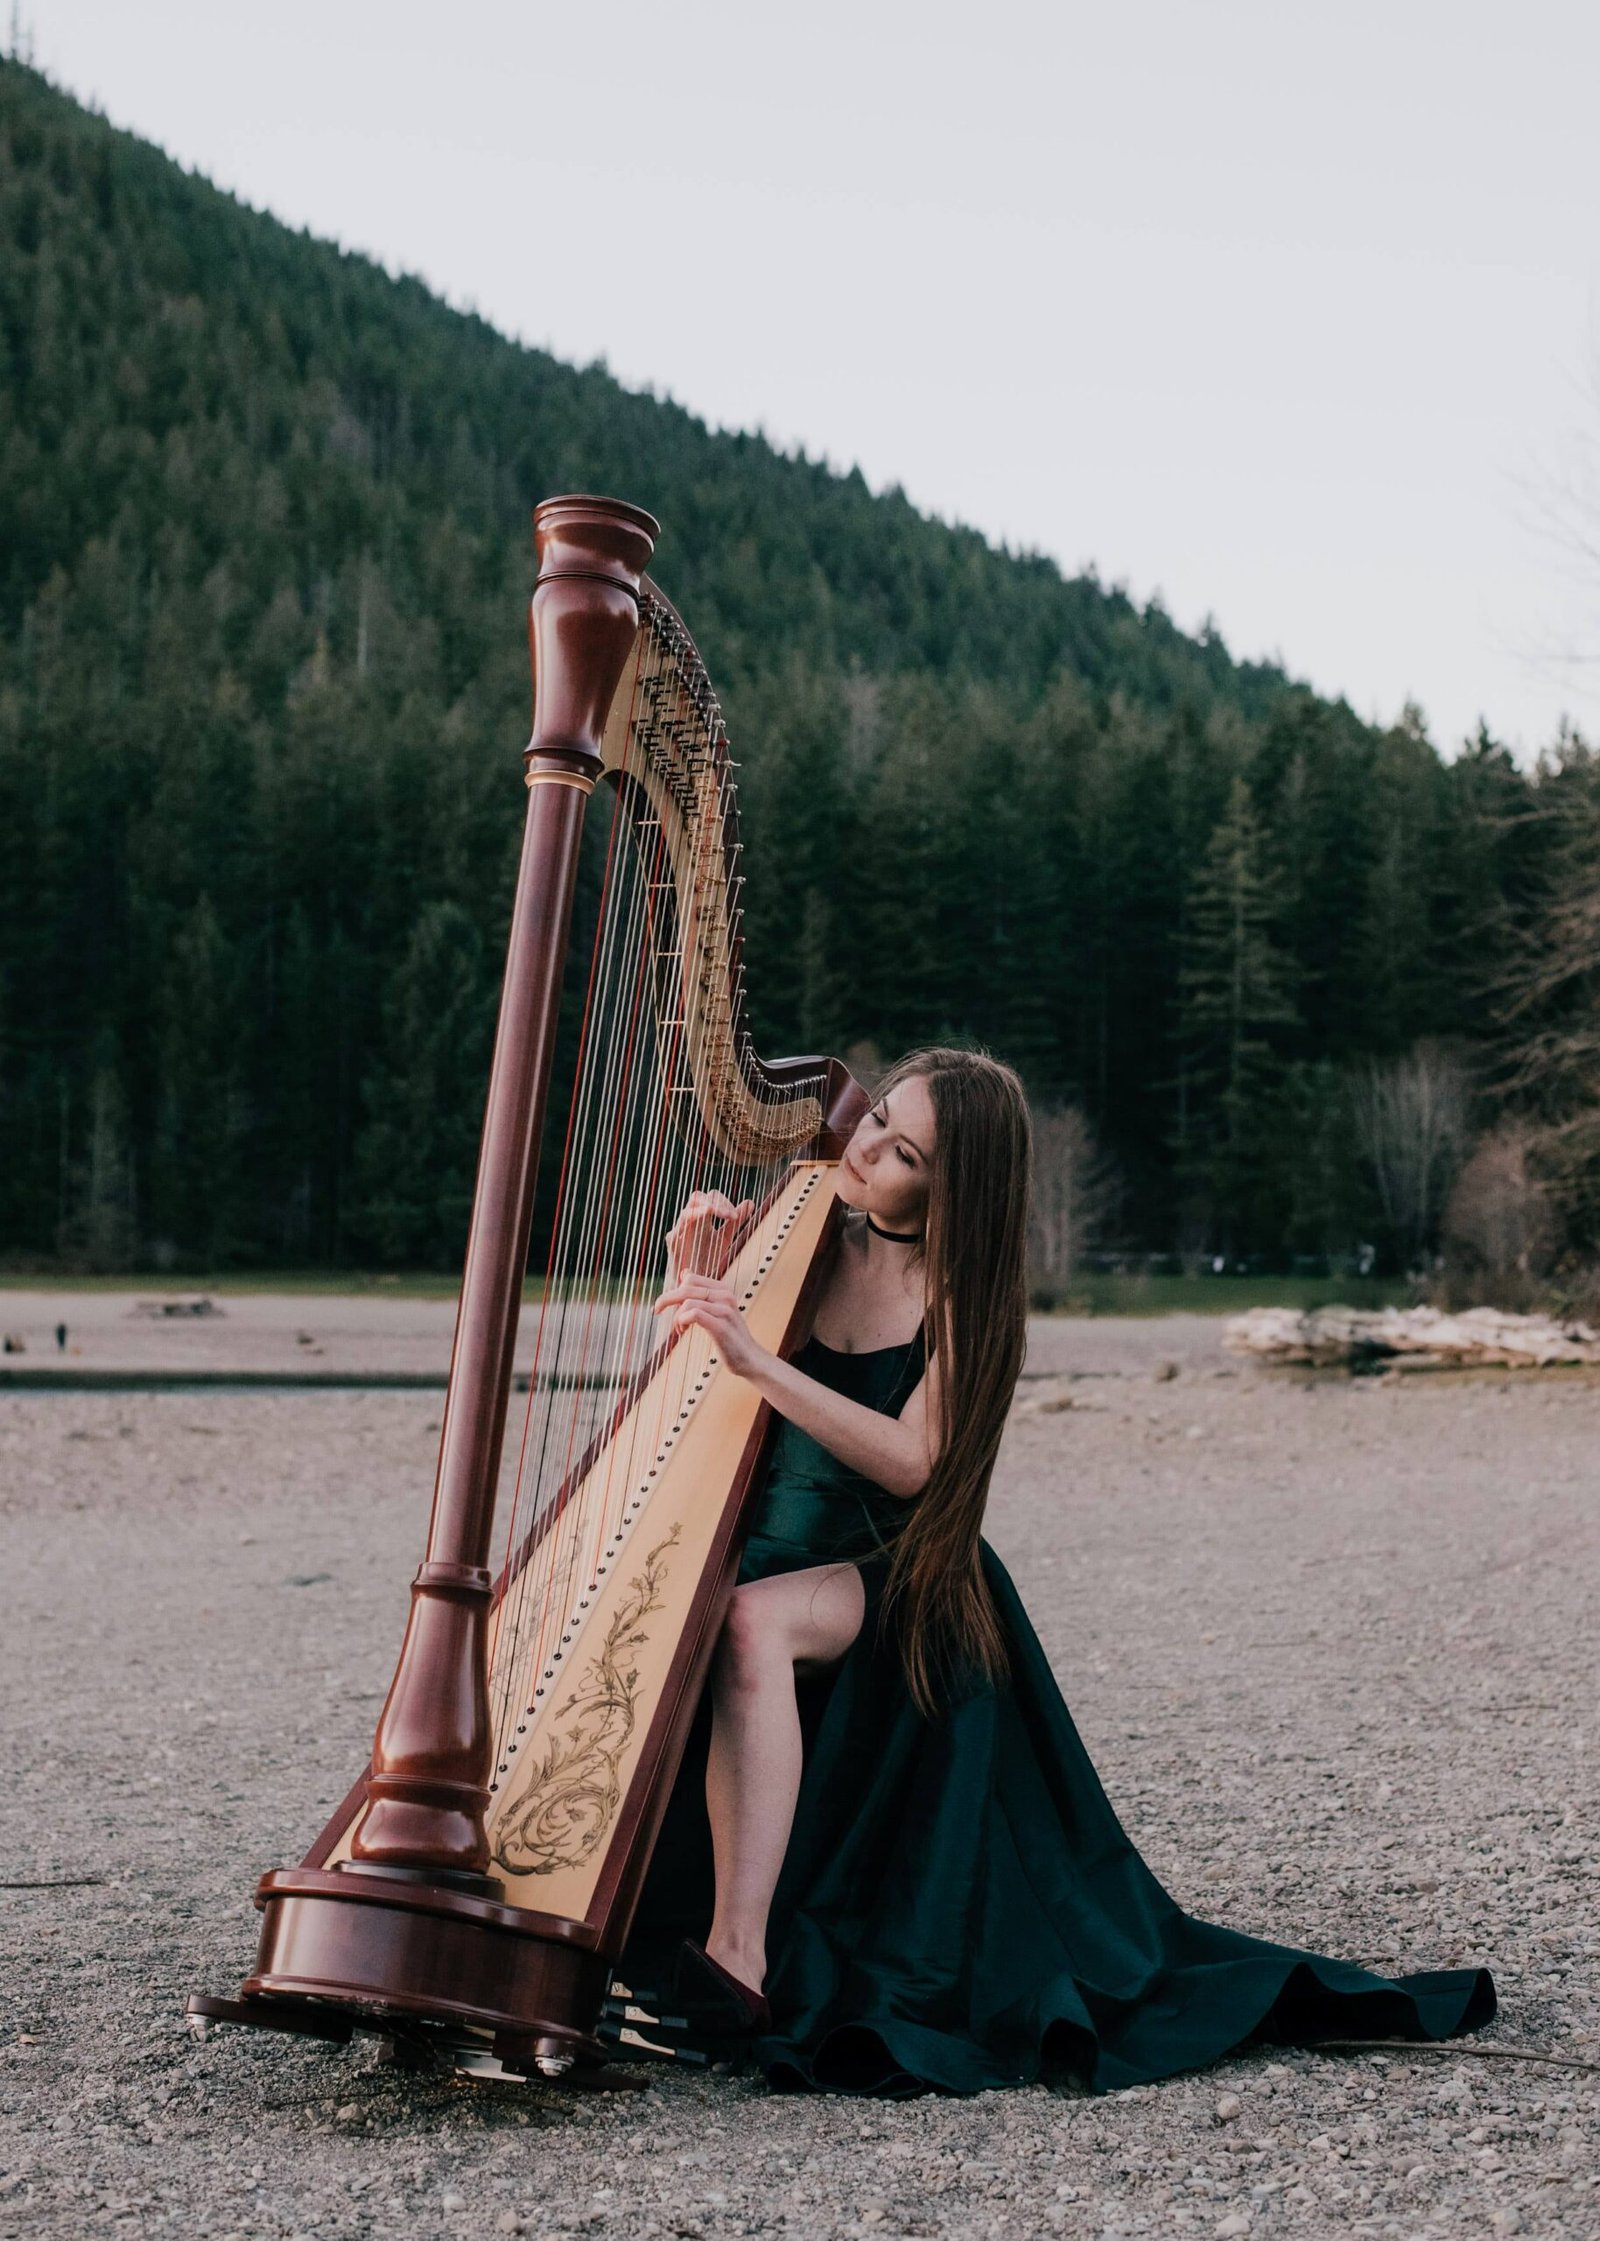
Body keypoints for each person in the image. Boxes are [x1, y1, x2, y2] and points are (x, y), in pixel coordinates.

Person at [611, 1046, 1495, 2096]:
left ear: (950, 1189)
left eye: (905, 1153)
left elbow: (916, 1461)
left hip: (884, 1570)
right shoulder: (796, 1234)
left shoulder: (963, 1295)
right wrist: (695, 1280)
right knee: (650, 1609)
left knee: (748, 1623)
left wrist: (754, 1357)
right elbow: (698, 1392)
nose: (868, 1149)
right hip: (765, 1543)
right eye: (878, 1117)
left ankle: (740, 1955)